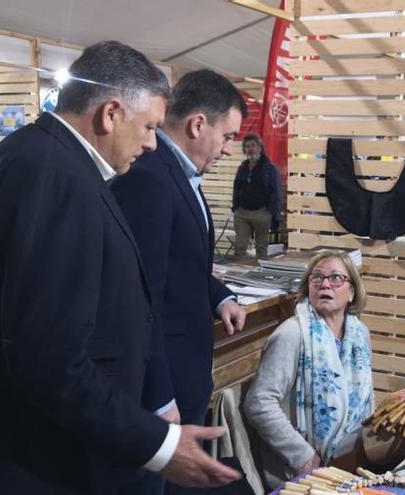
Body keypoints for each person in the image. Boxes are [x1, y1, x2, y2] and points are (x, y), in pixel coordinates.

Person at [0, 42, 240, 494]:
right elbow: (49, 357)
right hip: (30, 457)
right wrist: (158, 445)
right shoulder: (53, 176)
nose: (152, 143)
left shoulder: (46, 159)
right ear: (110, 113)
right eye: (148, 127)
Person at [110, 70, 248, 493]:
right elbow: (138, 294)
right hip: (159, 386)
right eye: (228, 136)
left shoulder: (179, 175)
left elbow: (182, 266)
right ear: (198, 124)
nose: (229, 150)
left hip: (180, 377)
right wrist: (159, 396)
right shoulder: (150, 178)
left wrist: (219, 295)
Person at [244, 250, 374, 489]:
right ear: (308, 288)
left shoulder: (360, 334)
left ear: (352, 291)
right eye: (317, 278)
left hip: (351, 462)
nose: (325, 284)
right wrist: (303, 456)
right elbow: (259, 403)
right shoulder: (292, 334)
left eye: (336, 278)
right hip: (300, 472)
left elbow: (367, 401)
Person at [231, 132, 281, 259]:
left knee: (261, 250)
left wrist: (272, 214)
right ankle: (238, 276)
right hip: (242, 213)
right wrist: (235, 208)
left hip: (261, 213)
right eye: (247, 146)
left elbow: (275, 192)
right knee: (239, 247)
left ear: (260, 147)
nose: (250, 149)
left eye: (253, 145)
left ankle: (259, 276)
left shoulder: (270, 168)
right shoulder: (242, 168)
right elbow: (236, 188)